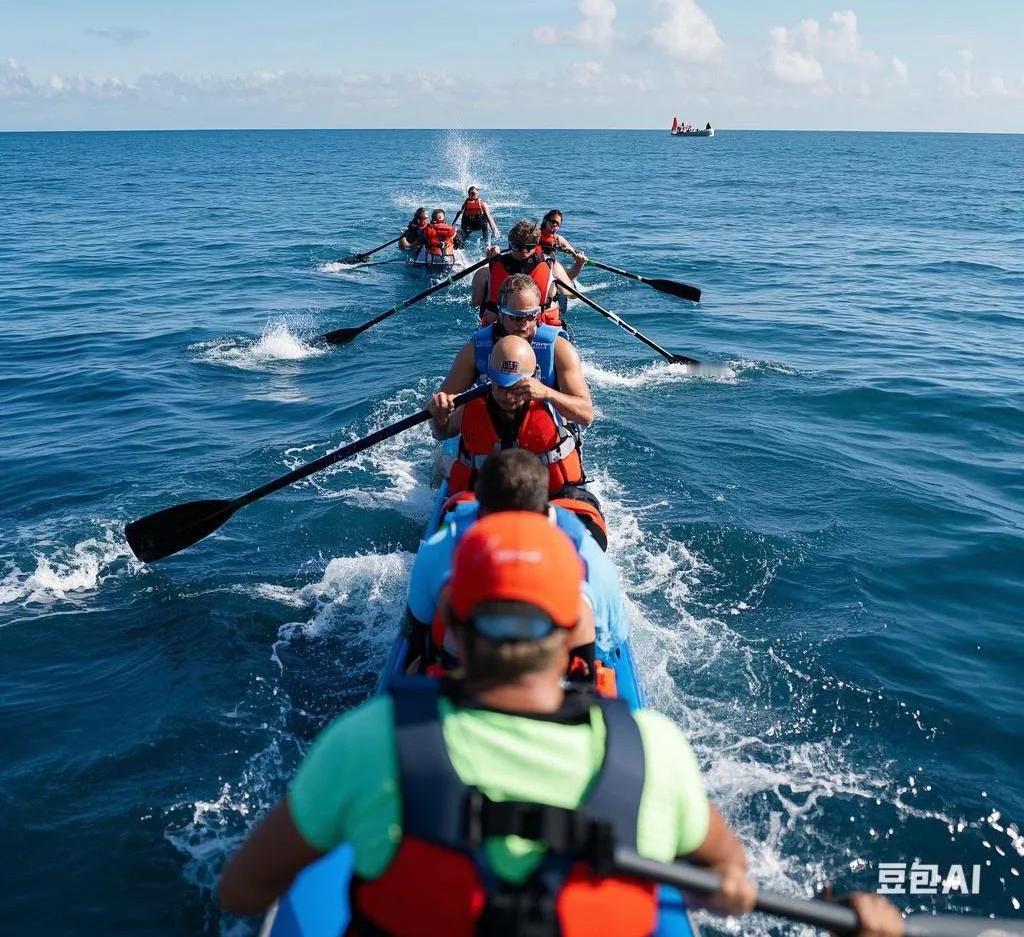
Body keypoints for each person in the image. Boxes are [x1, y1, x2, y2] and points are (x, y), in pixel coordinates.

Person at [220, 513, 903, 937]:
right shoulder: (654, 751)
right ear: (573, 626)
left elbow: (242, 890)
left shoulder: (370, 741)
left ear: (452, 622)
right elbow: (728, 874)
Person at [405, 449, 628, 675]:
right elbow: (610, 641)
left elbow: (418, 627)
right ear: (545, 505)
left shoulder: (441, 547)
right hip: (552, 680)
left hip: (466, 674)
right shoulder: (590, 559)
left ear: (479, 505)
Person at [428, 332, 594, 506]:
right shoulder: (472, 405)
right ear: (490, 378)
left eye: (516, 388)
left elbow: (587, 416)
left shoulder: (550, 402)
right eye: (500, 387)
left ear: (532, 379)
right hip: (486, 498)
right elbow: (442, 433)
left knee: (589, 518)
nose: (508, 397)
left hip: (550, 496)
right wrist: (439, 415)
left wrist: (548, 393)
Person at [472, 219, 586, 327]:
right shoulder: (551, 266)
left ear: (510, 243)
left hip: (500, 327)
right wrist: (578, 264)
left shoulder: (487, 270)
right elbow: (571, 294)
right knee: (557, 294)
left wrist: (492, 261)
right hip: (538, 326)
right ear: (536, 245)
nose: (522, 251)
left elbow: (476, 302)